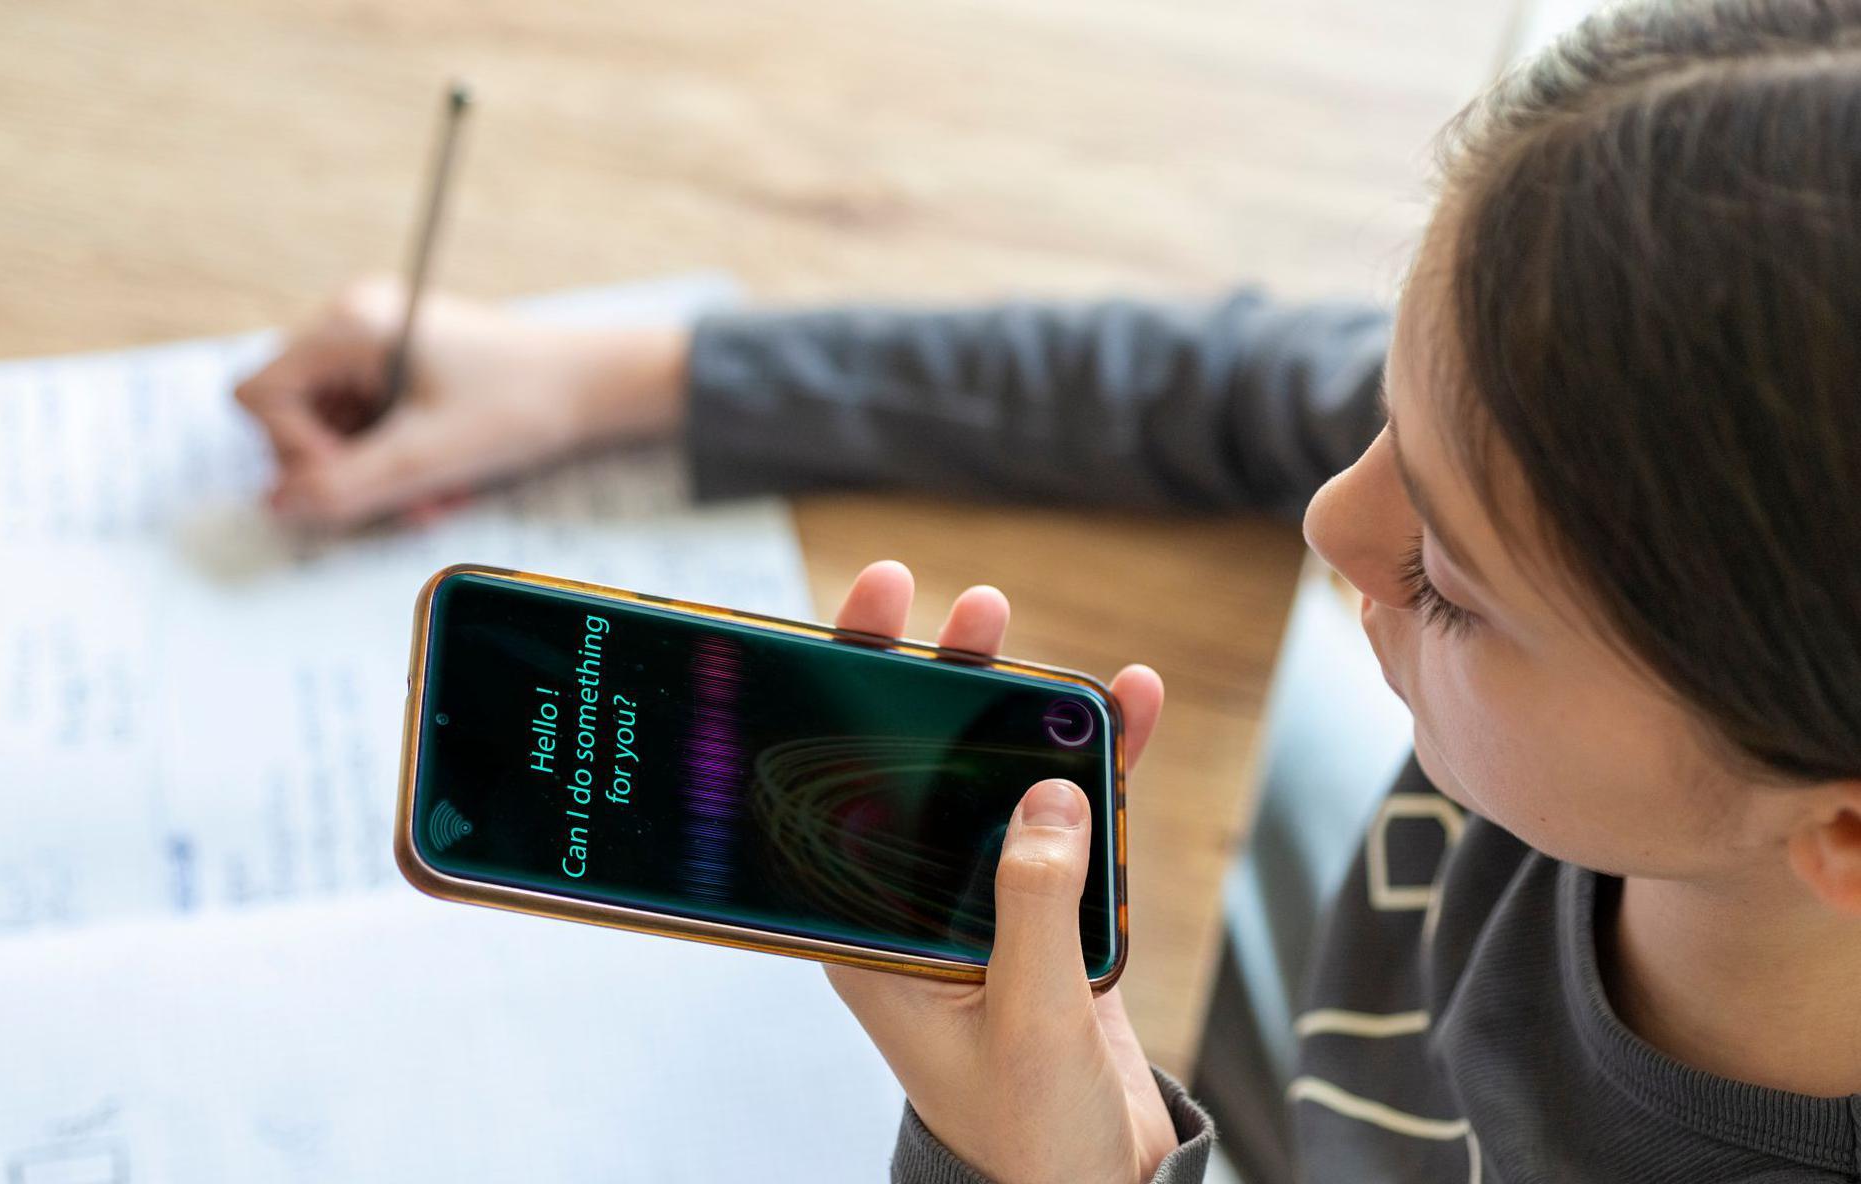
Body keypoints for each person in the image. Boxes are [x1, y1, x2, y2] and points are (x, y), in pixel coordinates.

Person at [235, 1, 1861, 1179]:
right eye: (1381, 418)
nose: (1324, 516)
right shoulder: (1642, 486)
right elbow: (1207, 387)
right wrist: (622, 374)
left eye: (1439, 577)